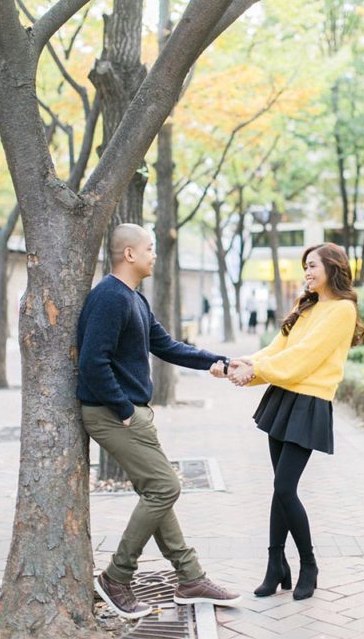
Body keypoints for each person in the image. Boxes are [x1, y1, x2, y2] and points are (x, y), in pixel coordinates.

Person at [77, 224, 242, 619]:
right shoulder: (109, 298)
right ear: (129, 254)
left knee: (158, 490)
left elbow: (166, 345)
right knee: (165, 487)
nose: (155, 254)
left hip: (130, 414)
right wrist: (124, 409)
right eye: (149, 248)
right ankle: (117, 576)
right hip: (112, 415)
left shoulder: (134, 298)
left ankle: (190, 577)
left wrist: (216, 361)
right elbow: (91, 362)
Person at [228, 243, 364, 601]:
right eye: (305, 266)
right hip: (284, 397)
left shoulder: (342, 310)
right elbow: (276, 350)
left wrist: (254, 370)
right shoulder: (306, 305)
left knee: (286, 488)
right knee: (279, 487)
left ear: (333, 267)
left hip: (311, 403)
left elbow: (304, 358)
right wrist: (240, 364)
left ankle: (309, 564)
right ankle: (276, 565)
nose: (307, 272)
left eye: (313, 266)